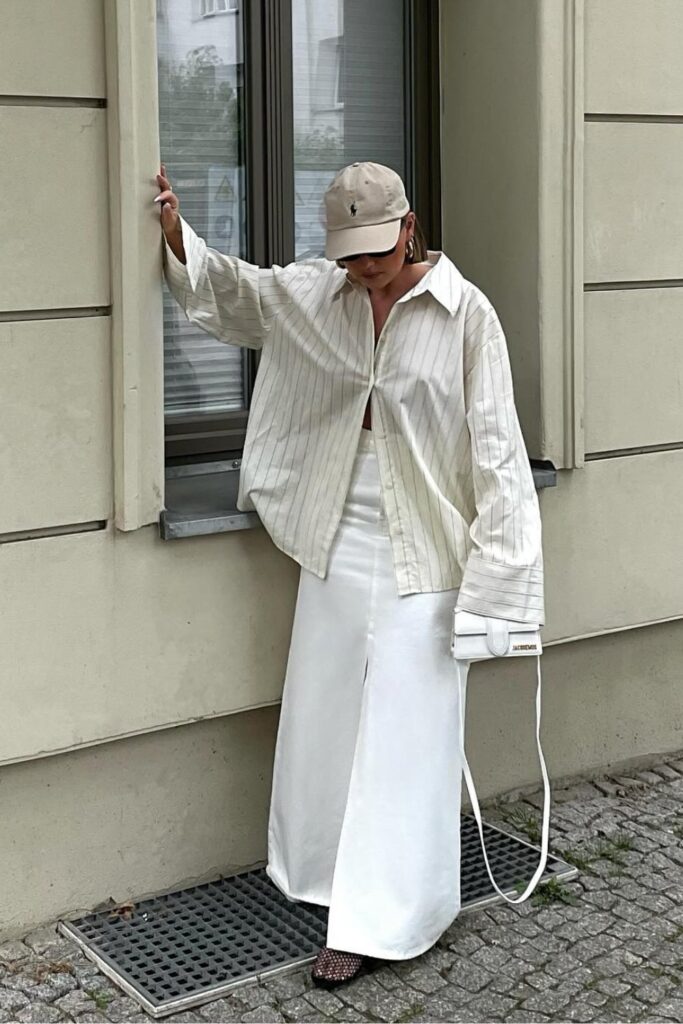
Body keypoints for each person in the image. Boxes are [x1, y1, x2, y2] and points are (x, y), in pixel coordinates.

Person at [155, 160, 545, 988]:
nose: (364, 267)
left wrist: (500, 581)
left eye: (376, 249)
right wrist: (176, 237)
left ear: (409, 227)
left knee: (408, 732)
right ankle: (322, 872)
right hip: (337, 524)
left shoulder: (465, 315)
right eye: (350, 253)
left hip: (429, 536)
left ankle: (385, 916)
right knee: (325, 709)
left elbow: (499, 452)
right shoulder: (315, 293)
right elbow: (242, 295)